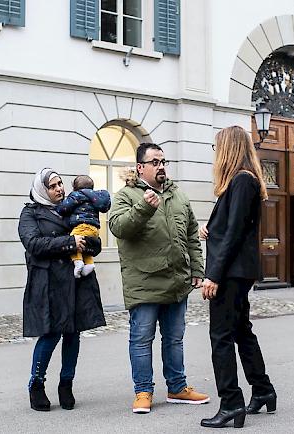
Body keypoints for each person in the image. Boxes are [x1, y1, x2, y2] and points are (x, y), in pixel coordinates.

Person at [109, 143, 210, 414]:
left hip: (177, 281)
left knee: (174, 338)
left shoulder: (178, 195)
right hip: (144, 283)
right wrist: (143, 208)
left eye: (163, 161)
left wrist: (197, 270)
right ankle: (143, 391)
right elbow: (118, 227)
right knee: (141, 339)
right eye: (155, 162)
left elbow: (191, 235)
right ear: (140, 167)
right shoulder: (126, 195)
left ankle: (177, 387)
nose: (161, 166)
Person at [199, 126, 276, 429]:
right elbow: (230, 227)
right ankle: (263, 390)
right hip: (237, 270)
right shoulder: (240, 181)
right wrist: (210, 228)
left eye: (217, 147)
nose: (215, 153)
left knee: (221, 337)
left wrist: (212, 276)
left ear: (229, 149)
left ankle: (231, 403)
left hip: (230, 273)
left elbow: (234, 234)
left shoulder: (242, 180)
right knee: (242, 331)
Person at [18, 167, 106, 411]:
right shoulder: (30, 213)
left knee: (73, 334)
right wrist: (70, 243)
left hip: (75, 281)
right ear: (42, 189)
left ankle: (66, 384)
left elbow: (94, 241)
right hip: (48, 283)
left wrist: (88, 242)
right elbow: (33, 243)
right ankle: (36, 384)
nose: (59, 189)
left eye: (60, 184)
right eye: (53, 185)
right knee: (50, 334)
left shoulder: (72, 207)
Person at [56, 175, 111, 278]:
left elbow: (64, 208)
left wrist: (58, 208)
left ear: (75, 188)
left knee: (74, 241)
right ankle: (89, 264)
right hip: (94, 230)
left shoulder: (77, 195)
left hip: (82, 226)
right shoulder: (94, 197)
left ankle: (78, 262)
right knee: (85, 246)